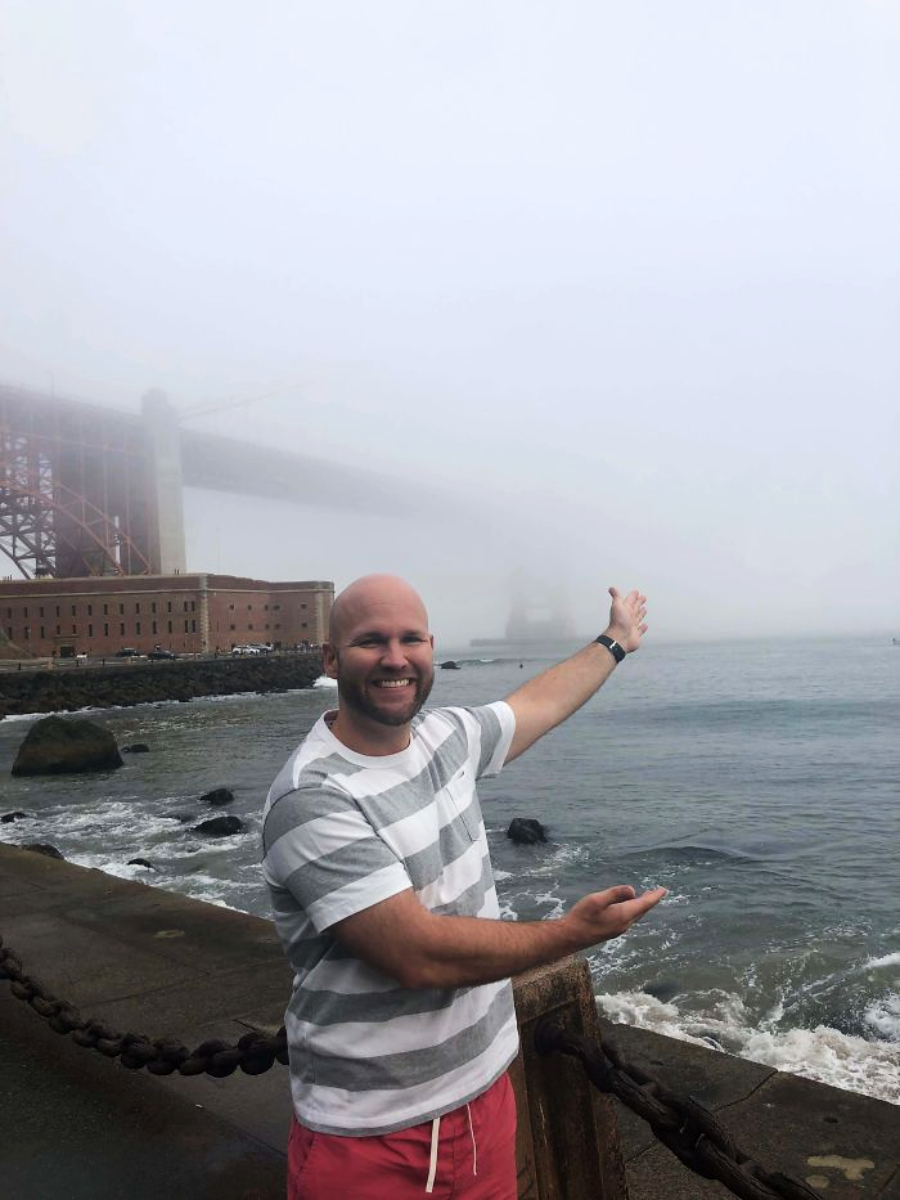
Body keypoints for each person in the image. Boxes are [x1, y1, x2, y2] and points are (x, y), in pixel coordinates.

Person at [262, 575, 666, 1199]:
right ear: (331, 658)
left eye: (411, 639)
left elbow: (538, 704)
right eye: (371, 641)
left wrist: (614, 641)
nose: (395, 658)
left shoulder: (445, 738)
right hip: (370, 1137)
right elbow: (417, 954)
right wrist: (571, 933)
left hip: (484, 1100)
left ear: (431, 647)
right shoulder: (313, 796)